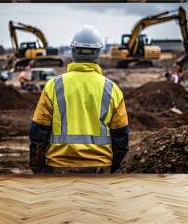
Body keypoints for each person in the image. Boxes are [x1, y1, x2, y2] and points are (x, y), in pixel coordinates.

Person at [29, 25, 129, 174]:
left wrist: (38, 169)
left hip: (59, 167)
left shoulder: (53, 86)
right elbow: (121, 137)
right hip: (100, 168)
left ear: (74, 51)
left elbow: (38, 133)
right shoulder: (112, 89)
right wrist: (112, 167)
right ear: (98, 52)